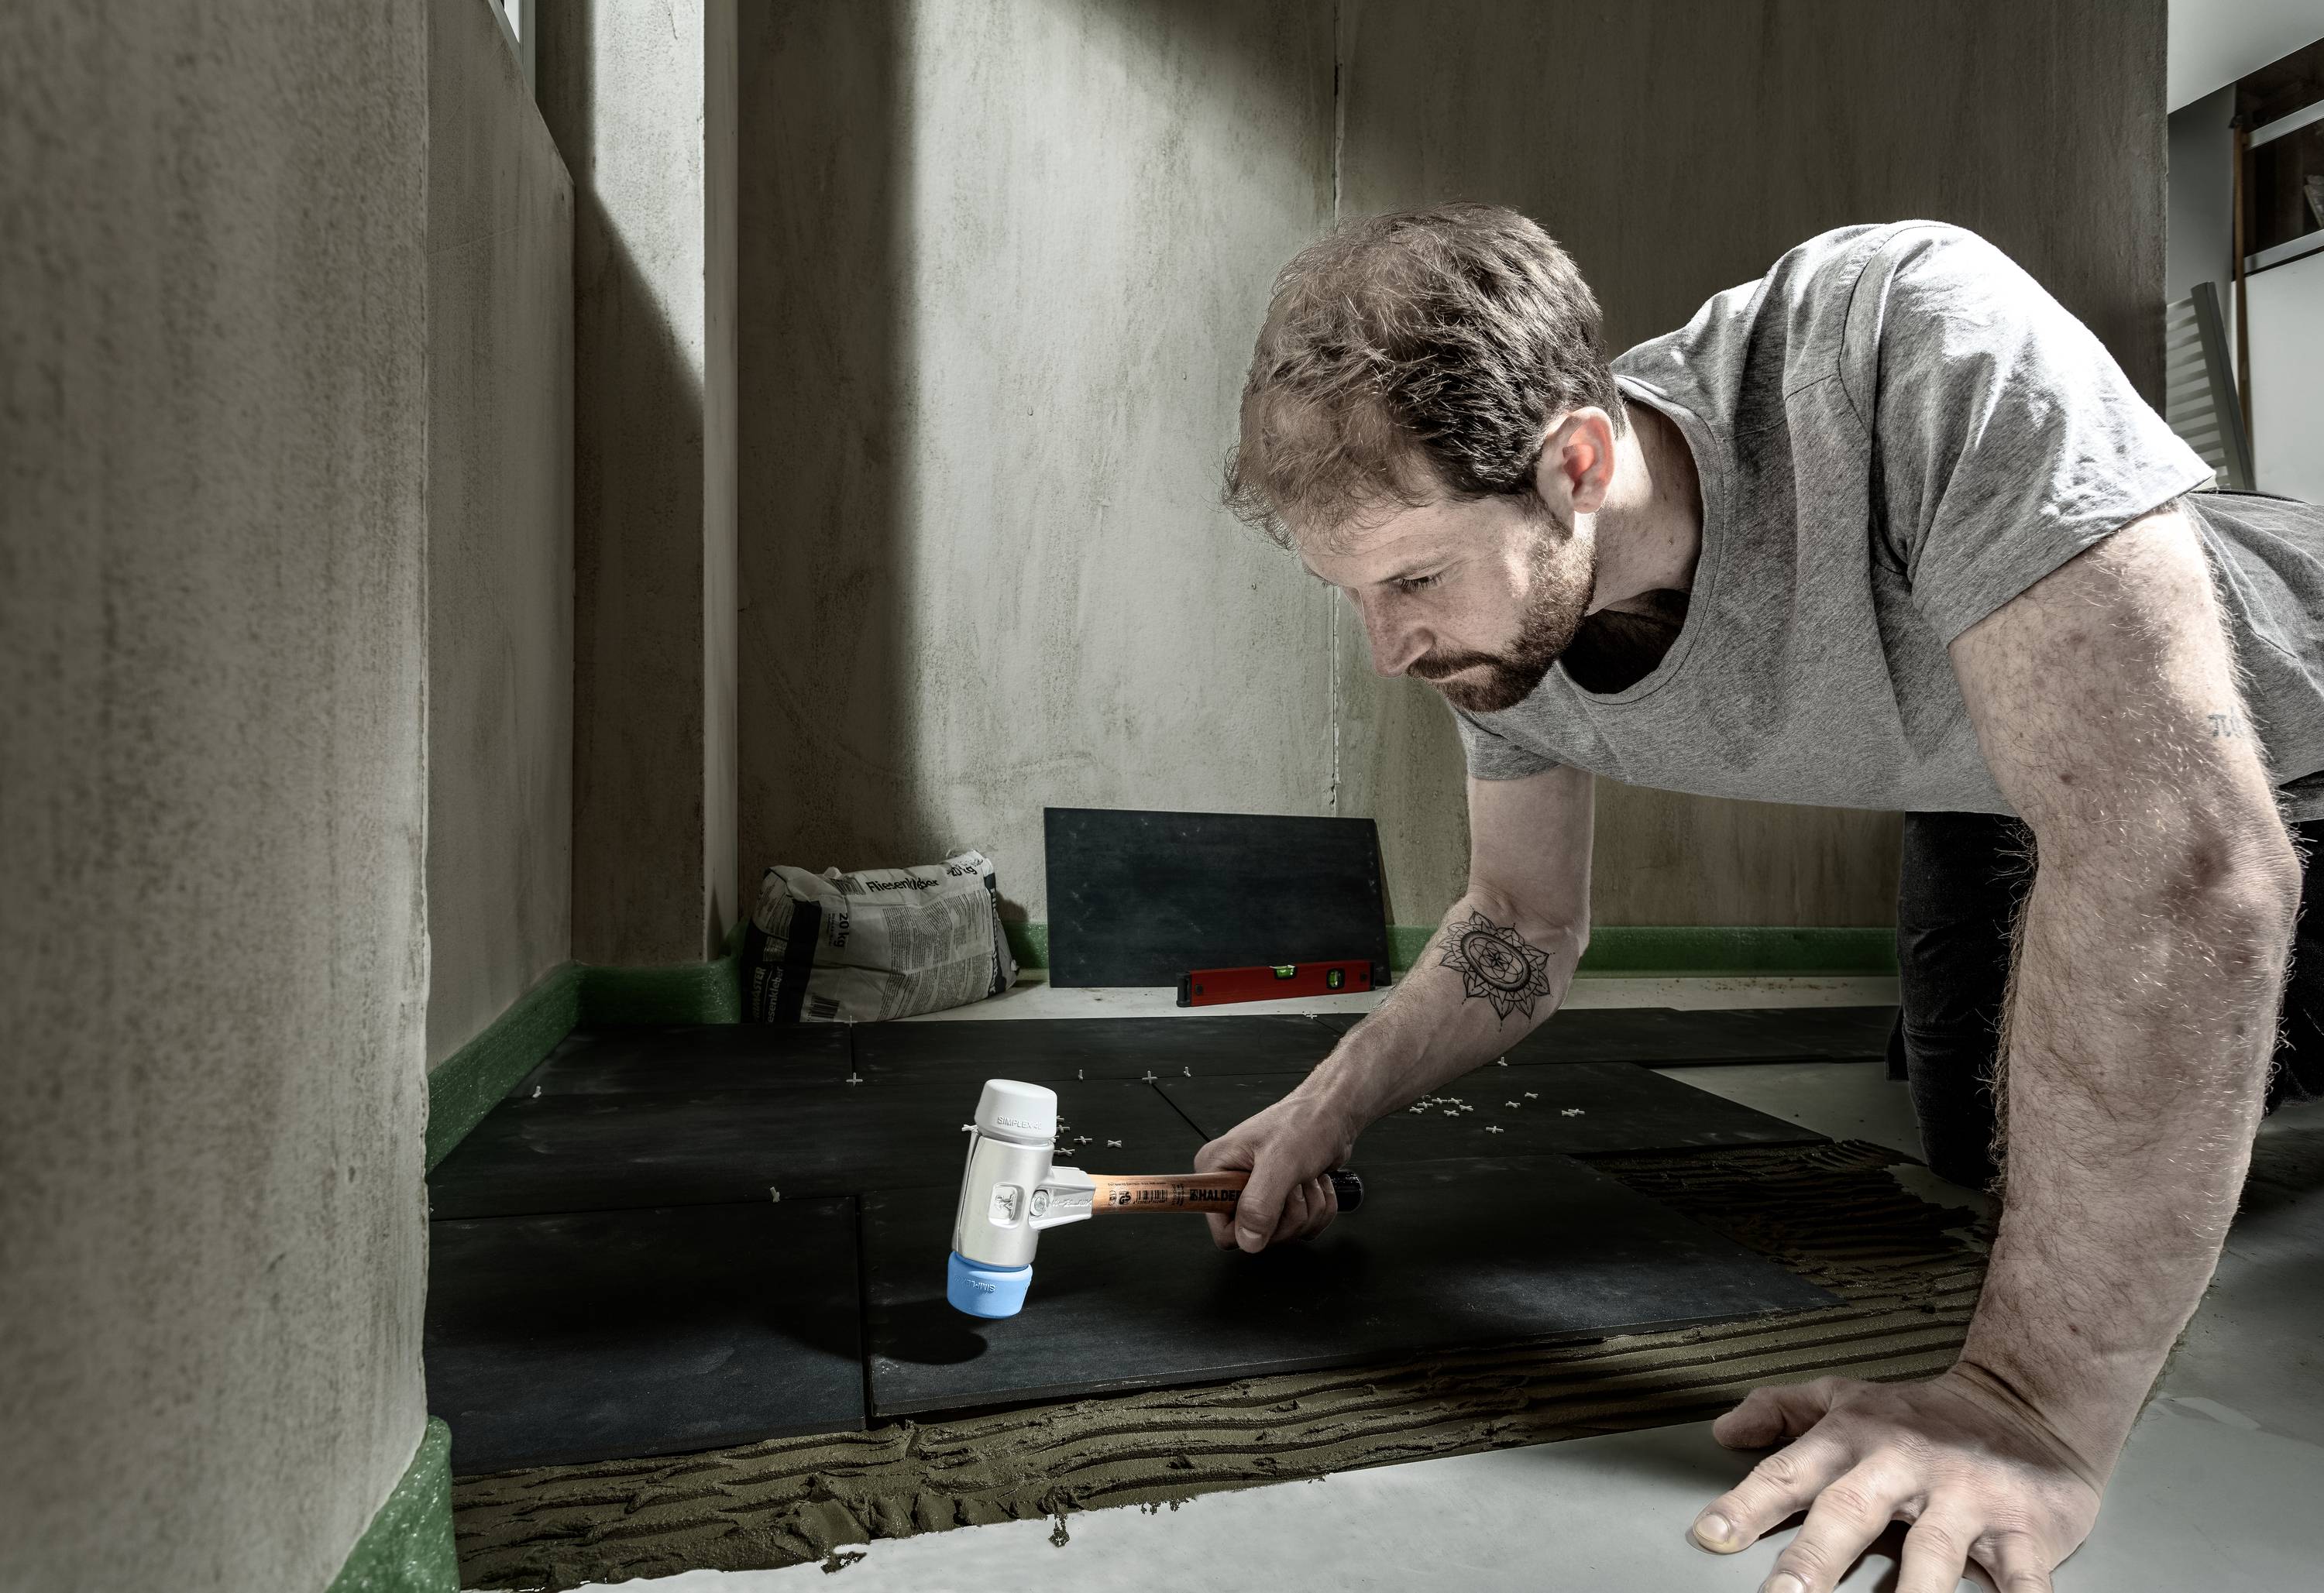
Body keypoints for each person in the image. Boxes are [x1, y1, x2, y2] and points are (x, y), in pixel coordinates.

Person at [1201, 204, 2324, 1593]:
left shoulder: (1902, 337)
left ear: (1576, 465)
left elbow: (2182, 861)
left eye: (1414, 578)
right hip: (2005, 785)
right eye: (1355, 594)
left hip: (2275, 734)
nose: (1388, 647)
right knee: (1991, 1134)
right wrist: (1329, 1104)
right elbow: (1516, 926)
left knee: (2186, 985)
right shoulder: (1505, 644)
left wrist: (2032, 1409)